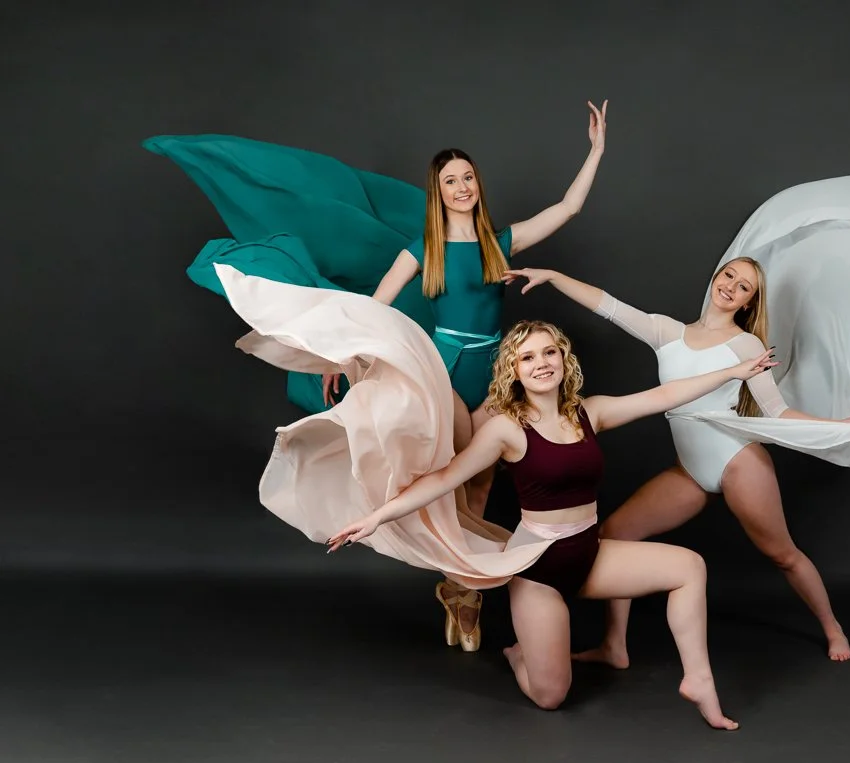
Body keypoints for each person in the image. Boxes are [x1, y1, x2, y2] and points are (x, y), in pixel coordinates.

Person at [145, 100, 609, 648]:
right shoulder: (424, 249)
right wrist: (343, 358)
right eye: (450, 181)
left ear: (477, 185)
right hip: (446, 371)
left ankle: (462, 592)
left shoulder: (498, 243)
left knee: (481, 481)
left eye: (467, 178)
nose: (461, 187)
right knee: (455, 480)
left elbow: (568, 208)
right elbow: (380, 305)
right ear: (438, 193)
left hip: (497, 374)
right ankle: (462, 580)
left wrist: (596, 150)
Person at [326, 318, 775, 729]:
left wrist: (732, 373)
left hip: (591, 555)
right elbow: (444, 478)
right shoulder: (506, 429)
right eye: (527, 357)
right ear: (513, 371)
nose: (541, 363)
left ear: (563, 358)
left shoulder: (589, 412)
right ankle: (520, 652)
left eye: (548, 353)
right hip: (539, 570)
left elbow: (661, 397)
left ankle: (699, 681)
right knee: (551, 697)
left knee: (689, 567)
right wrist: (376, 517)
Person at [503, 262, 850, 663]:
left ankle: (833, 628)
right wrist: (554, 277)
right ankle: (614, 647)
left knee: (782, 554)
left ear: (749, 301)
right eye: (729, 276)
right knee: (616, 531)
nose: (732, 287)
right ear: (715, 276)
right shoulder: (666, 332)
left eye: (744, 287)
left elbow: (778, 412)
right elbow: (608, 306)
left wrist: (840, 425)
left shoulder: (746, 345)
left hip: (737, 460)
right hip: (689, 470)